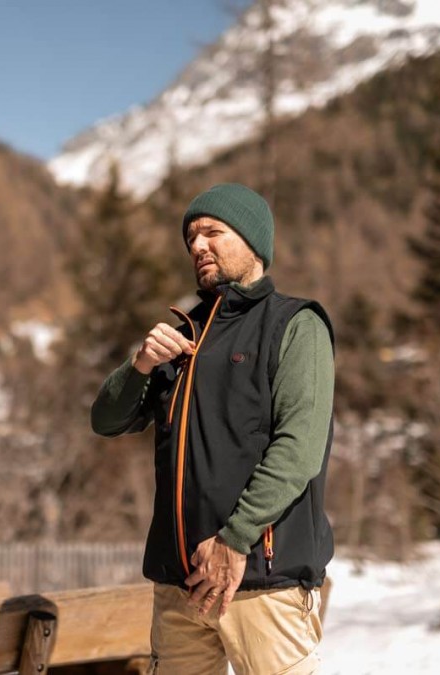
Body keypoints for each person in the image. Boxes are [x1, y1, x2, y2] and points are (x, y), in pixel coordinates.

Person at [91, 183, 336, 674]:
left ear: (252, 240)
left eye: (212, 232)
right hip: (180, 589)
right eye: (190, 239)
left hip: (262, 581)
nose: (197, 246)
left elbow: (299, 448)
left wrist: (234, 539)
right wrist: (141, 365)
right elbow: (106, 421)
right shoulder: (183, 335)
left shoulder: (295, 324)